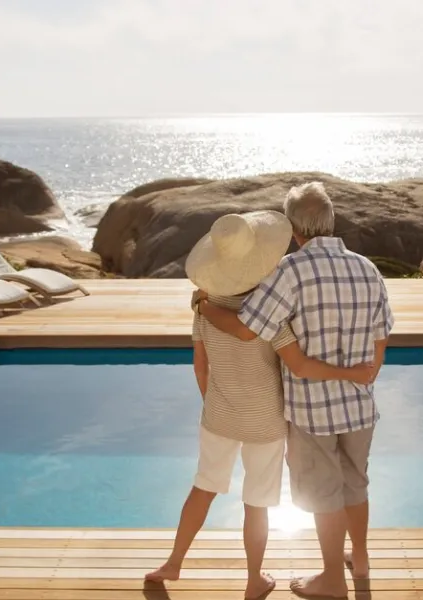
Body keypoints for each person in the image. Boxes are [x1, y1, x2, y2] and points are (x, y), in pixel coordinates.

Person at [145, 210, 375, 600]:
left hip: (218, 416)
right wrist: (354, 373)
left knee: (203, 489)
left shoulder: (202, 308)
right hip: (266, 422)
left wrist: (217, 402)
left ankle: (173, 562)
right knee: (257, 504)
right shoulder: (274, 317)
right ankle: (255, 580)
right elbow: (298, 365)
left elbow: (201, 367)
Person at [196, 182, 393, 599]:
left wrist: (206, 307)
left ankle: (333, 581)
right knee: (355, 483)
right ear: (331, 220)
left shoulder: (290, 271)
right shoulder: (367, 268)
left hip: (312, 410)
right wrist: (358, 374)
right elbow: (379, 346)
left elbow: (247, 330)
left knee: (323, 493)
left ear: (292, 227)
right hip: (359, 407)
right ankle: (358, 559)